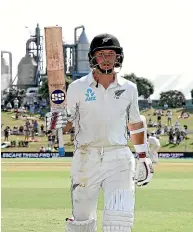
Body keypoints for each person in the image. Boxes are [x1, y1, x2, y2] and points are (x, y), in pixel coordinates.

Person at [46, 33, 154, 232]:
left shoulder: (129, 88)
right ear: (93, 58)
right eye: (101, 54)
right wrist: (57, 121)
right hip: (86, 158)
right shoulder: (77, 88)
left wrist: (143, 157)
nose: (106, 58)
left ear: (118, 57)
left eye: (110, 54)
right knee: (82, 223)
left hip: (119, 157)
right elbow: (68, 124)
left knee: (119, 222)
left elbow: (135, 123)